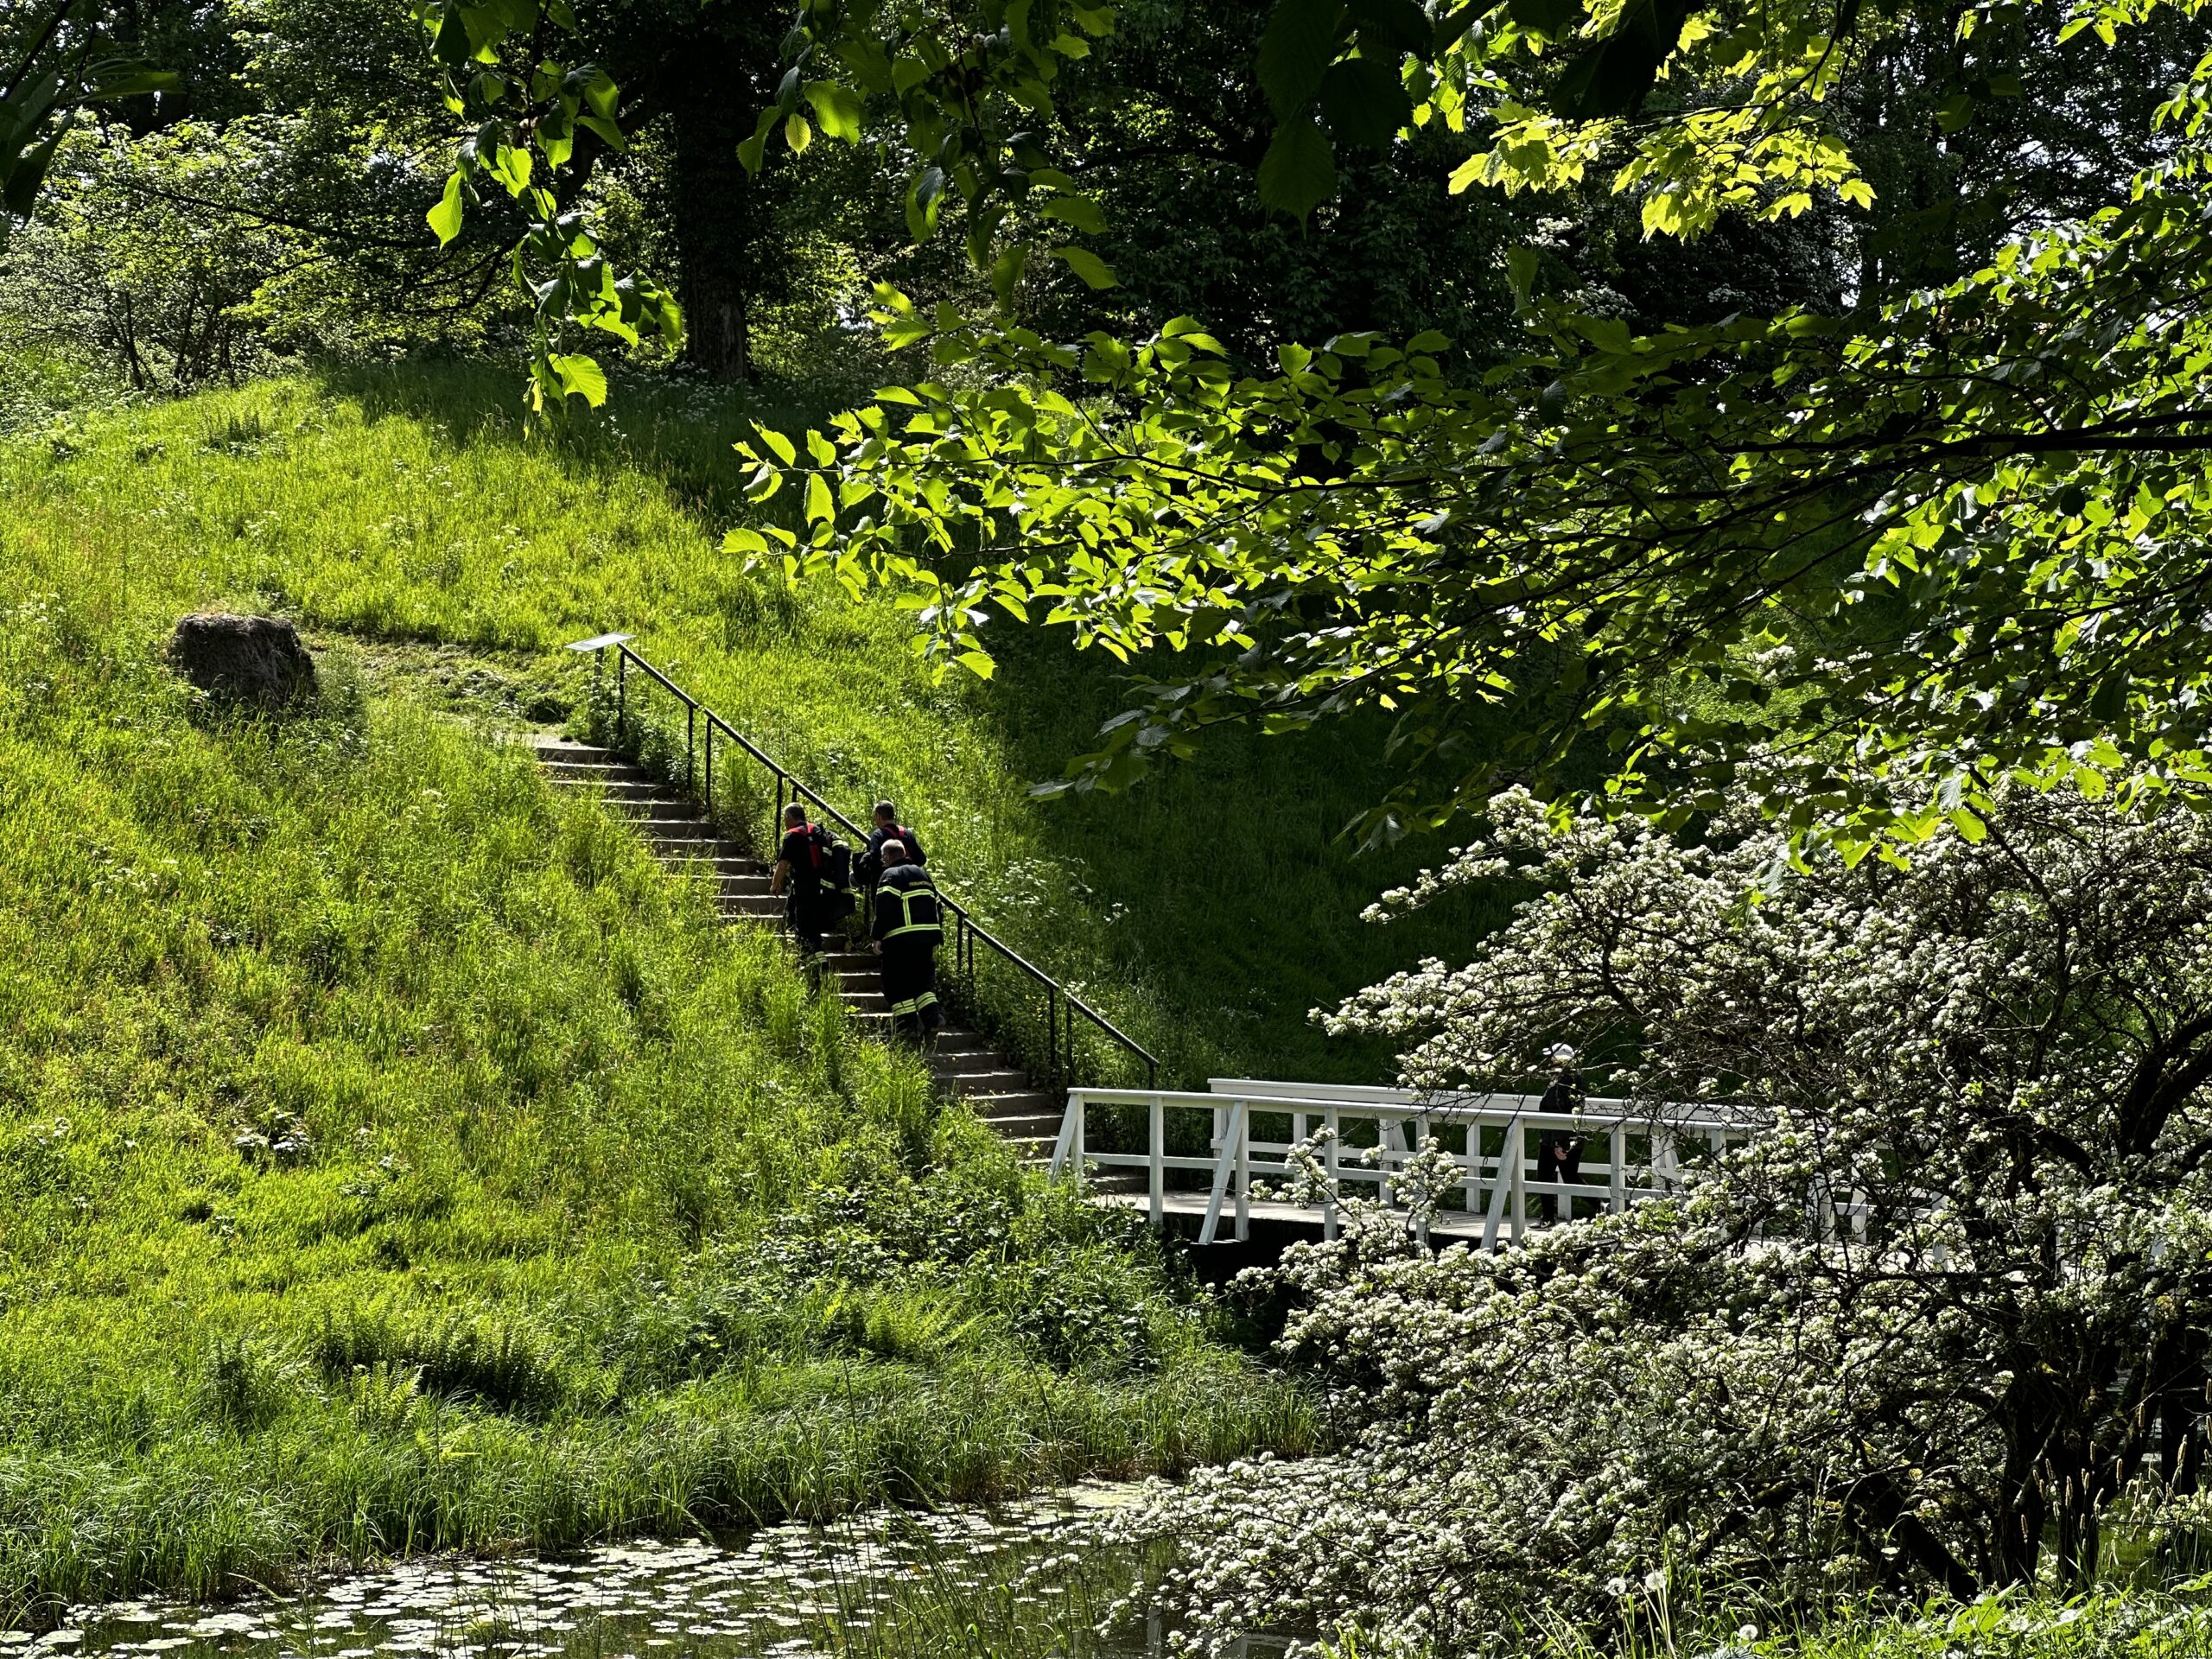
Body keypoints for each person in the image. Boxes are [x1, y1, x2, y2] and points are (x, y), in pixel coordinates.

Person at [869, 838, 944, 1037]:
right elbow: (938, 906)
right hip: (927, 939)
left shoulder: (890, 875)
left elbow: (885, 907)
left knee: (895, 981)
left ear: (887, 856)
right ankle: (933, 1017)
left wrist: (877, 936)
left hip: (900, 940)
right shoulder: (923, 875)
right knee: (921, 981)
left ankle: (906, 1024)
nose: (882, 861)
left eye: (882, 857)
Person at [770, 801, 849, 956]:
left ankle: (811, 961)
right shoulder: (818, 831)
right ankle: (809, 955)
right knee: (811, 925)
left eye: (784, 818)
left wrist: (774, 885)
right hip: (823, 888)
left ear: (788, 817)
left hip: (804, 888)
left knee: (805, 927)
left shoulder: (792, 835)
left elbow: (783, 864)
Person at [1535, 1042, 1586, 1224]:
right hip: (1559, 1137)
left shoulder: (1564, 1082)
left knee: (1555, 1177)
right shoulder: (1571, 1079)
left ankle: (1603, 1206)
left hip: (1557, 1138)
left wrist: (1558, 1143)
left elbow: (1560, 1111)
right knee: (1566, 1177)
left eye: (1551, 1057)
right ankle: (1603, 1206)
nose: (1548, 1061)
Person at [855, 800, 926, 889]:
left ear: (878, 816)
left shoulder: (878, 835)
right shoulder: (906, 833)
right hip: (909, 885)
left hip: (886, 885)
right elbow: (921, 859)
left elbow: (874, 861)